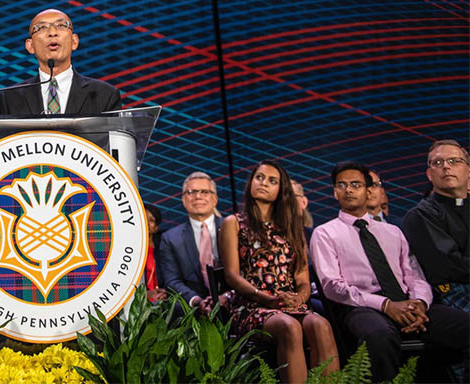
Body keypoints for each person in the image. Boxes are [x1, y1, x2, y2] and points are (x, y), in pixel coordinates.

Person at [310, 160, 469, 381]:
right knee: (378, 336)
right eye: (341, 185)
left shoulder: (392, 232)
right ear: (335, 192)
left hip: (407, 302)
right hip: (362, 306)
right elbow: (332, 286)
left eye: (355, 185)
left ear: (368, 191)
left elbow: (415, 276)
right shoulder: (325, 233)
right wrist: (385, 305)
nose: (348, 190)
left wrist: (419, 304)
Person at [220, 160, 338, 383]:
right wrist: (263, 297)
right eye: (259, 178)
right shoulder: (234, 223)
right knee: (289, 327)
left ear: (280, 190)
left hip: (288, 302)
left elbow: (302, 279)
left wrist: (298, 298)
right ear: (251, 183)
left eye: (272, 181)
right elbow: (231, 276)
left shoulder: (292, 226)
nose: (264, 183)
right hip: (252, 304)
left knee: (321, 326)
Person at [0, 9, 121, 115]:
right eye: (41, 28)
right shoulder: (11, 97)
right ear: (30, 46)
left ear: (74, 41)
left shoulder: (105, 94)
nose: (52, 33)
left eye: (61, 26)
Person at [403, 140, 469, 312]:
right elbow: (449, 266)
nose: (446, 166)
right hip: (452, 290)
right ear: (429, 174)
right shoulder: (420, 216)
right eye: (438, 163)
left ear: (468, 171)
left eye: (454, 161)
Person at [160, 172, 224, 313]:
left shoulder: (233, 228)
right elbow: (172, 281)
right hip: (192, 310)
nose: (198, 196)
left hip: (233, 302)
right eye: (191, 192)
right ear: (183, 200)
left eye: (205, 192)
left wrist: (226, 297)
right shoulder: (170, 238)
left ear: (215, 199)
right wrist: (196, 301)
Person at [143, 204, 167, 303]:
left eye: (151, 220)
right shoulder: (131, 250)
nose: (147, 223)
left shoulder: (164, 247)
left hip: (163, 298)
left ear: (156, 227)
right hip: (141, 301)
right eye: (143, 218)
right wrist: (146, 293)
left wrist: (166, 292)